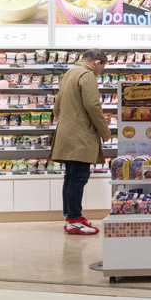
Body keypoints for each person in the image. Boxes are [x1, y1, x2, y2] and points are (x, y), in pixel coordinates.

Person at [49, 49, 111, 235]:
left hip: (67, 134)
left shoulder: (69, 73)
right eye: (103, 67)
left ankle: (71, 217)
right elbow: (93, 105)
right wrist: (104, 131)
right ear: (97, 62)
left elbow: (57, 107)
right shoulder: (87, 74)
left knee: (70, 177)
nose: (101, 71)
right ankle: (75, 220)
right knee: (79, 178)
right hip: (80, 136)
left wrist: (69, 121)